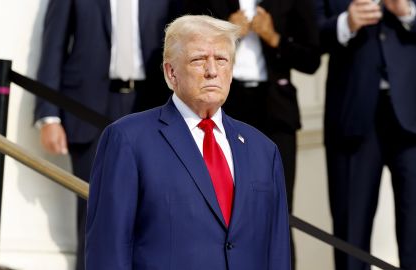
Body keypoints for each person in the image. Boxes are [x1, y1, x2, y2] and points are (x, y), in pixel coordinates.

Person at [86, 15, 291, 270]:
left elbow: (278, 251)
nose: (212, 71)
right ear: (171, 73)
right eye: (198, 60)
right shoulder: (128, 139)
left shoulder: (264, 150)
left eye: (221, 59)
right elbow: (108, 251)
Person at [314, 0, 416, 267]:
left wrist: (408, 11)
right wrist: (345, 24)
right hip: (351, 115)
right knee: (350, 241)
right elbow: (308, 32)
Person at [34, 1, 181, 269]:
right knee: (95, 210)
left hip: (151, 105)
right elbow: (53, 44)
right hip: (86, 109)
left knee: (154, 210)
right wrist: (48, 115)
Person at [183, 1, 321, 267]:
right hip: (221, 110)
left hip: (276, 113)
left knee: (279, 212)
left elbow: (311, 59)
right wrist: (226, 34)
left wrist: (273, 37)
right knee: (219, 212)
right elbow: (184, 46)